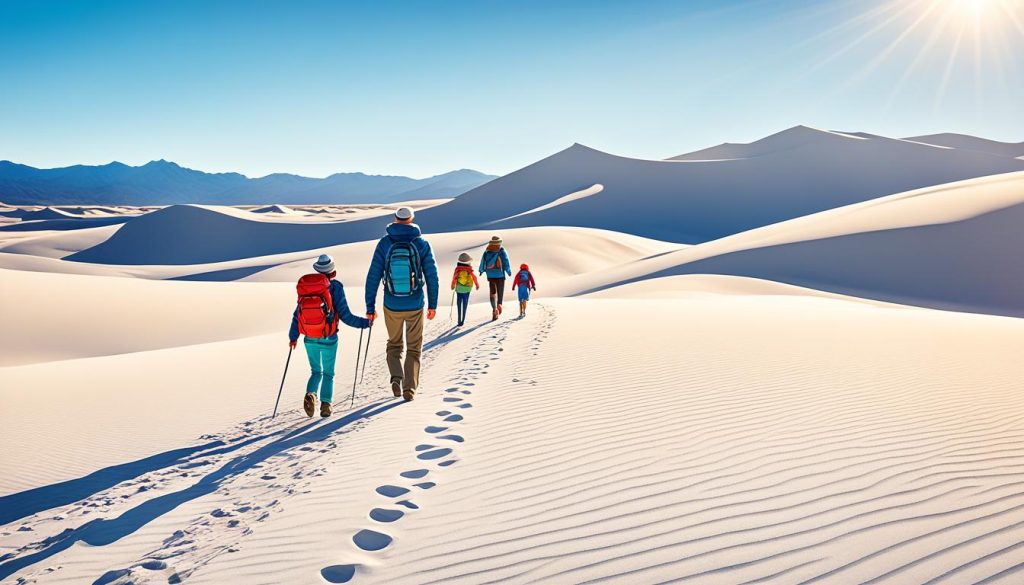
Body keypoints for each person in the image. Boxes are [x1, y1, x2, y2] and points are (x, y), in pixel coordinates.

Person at [365, 206, 439, 401]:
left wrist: (369, 307)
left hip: (391, 304)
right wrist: (433, 304)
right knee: (414, 347)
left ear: (395, 219)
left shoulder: (384, 243)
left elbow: (373, 275)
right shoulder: (421, 243)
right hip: (415, 304)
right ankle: (409, 389)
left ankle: (396, 378)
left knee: (394, 344)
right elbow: (432, 275)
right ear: (412, 219)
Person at [289, 254, 370, 417]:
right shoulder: (336, 287)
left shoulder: (307, 287)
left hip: (309, 337)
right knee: (328, 373)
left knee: (315, 371)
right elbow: (346, 315)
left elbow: (297, 314)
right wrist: (364, 323)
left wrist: (293, 337)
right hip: (329, 337)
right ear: (332, 271)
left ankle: (311, 394)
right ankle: (326, 405)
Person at [478, 235, 511, 320]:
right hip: (500, 275)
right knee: (500, 292)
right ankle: (499, 304)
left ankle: (494, 309)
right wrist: (508, 271)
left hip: (490, 275)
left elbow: (482, 262)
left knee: (492, 292)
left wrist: (481, 271)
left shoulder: (486, 252)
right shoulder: (501, 251)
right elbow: (505, 261)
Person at [450, 252, 480, 326]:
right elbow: (474, 277)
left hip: (459, 288)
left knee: (459, 302)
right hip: (467, 288)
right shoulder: (469, 269)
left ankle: (459, 320)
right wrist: (477, 284)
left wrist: (452, 286)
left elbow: (454, 278)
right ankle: (463, 320)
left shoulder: (457, 269)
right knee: (465, 303)